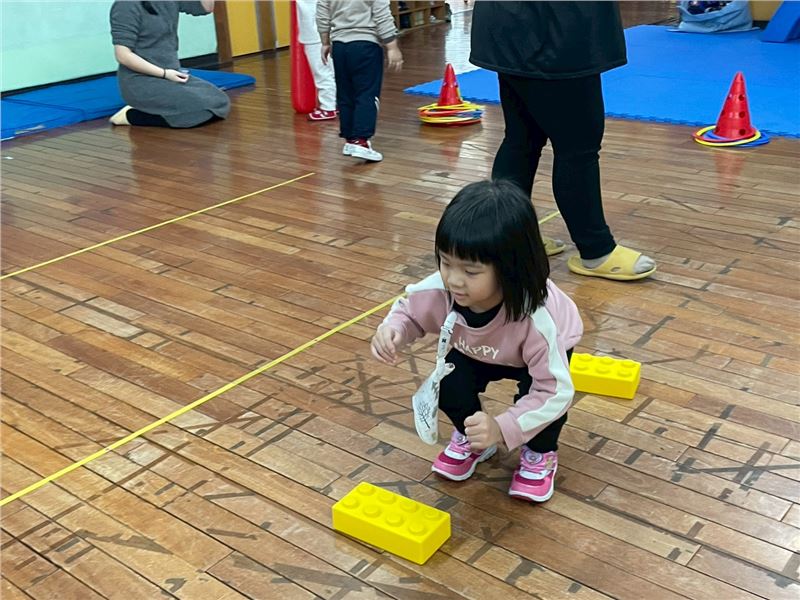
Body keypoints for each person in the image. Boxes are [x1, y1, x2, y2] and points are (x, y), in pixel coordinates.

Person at [371, 180, 583, 502]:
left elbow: (553, 393)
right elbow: (409, 311)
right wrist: (395, 329)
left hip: (534, 351)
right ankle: (473, 441)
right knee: (449, 384)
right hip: (479, 349)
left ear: (510, 269)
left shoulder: (541, 320)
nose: (454, 279)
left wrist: (502, 427)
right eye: (446, 262)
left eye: (470, 271)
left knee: (544, 403)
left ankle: (540, 454)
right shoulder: (441, 290)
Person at [470, 1, 656, 281]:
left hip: (517, 23)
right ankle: (596, 250)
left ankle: (509, 240)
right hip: (552, 29)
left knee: (522, 138)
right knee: (577, 146)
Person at [109, 0, 230, 128]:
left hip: (172, 75)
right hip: (141, 80)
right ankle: (131, 115)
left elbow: (205, 8)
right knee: (199, 108)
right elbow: (123, 55)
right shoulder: (126, 5)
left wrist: (168, 74)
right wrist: (164, 73)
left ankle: (155, 108)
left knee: (219, 100)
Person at [317, 0, 403, 162]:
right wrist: (392, 46)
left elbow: (322, 12)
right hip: (365, 45)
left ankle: (350, 139)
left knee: (345, 94)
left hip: (340, 47)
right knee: (367, 94)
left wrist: (325, 42)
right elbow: (382, 14)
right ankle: (361, 140)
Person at [297, 0, 338, 121]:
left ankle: (328, 107)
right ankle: (335, 103)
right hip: (323, 33)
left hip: (315, 36)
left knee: (322, 71)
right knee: (331, 70)